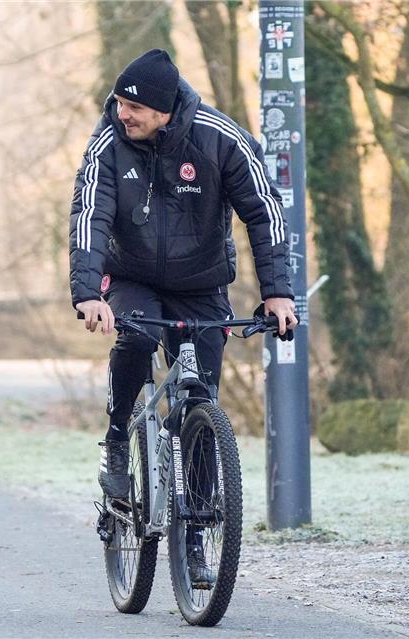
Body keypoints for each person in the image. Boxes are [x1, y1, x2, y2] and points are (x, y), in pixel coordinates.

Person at [69, 50, 298, 585]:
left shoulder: (222, 139)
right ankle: (120, 436)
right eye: (120, 103)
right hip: (130, 277)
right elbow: (89, 215)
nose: (123, 113)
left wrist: (278, 294)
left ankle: (194, 534)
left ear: (166, 108)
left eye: (135, 107)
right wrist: (88, 292)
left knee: (200, 402)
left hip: (201, 283)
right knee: (136, 339)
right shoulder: (108, 143)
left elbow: (263, 212)